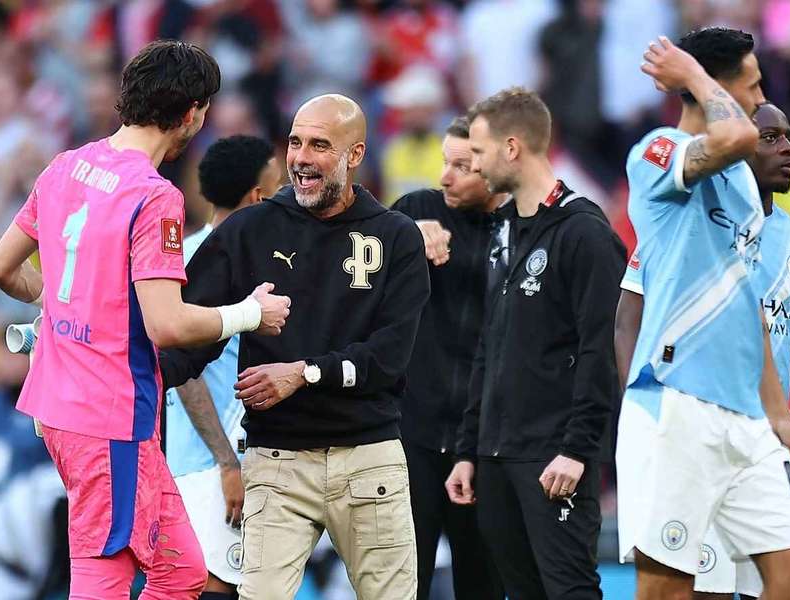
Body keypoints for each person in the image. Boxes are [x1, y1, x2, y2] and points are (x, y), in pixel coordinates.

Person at [0, 40, 290, 600]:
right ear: (192, 113)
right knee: (119, 574)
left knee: (167, 571)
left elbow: (0, 267)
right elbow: (167, 326)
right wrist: (250, 313)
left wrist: (63, 303)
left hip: (59, 405)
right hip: (109, 417)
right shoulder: (154, 197)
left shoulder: (66, 166)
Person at [159, 94, 431, 600]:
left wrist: (304, 373)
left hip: (368, 456)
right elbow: (186, 342)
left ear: (355, 155)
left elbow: (390, 357)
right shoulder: (248, 229)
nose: (301, 158)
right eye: (295, 142)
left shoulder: (395, 236)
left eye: (320, 145)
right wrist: (123, 381)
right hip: (276, 460)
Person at [614, 29, 790, 600]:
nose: (760, 99)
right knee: (669, 590)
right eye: (752, 86)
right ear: (715, 86)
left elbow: (747, 302)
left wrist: (778, 412)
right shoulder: (657, 152)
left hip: (746, 415)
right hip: (676, 403)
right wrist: (693, 75)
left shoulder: (743, 188)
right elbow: (733, 134)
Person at [445, 87, 626, 599]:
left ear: (511, 148)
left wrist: (578, 450)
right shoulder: (503, 229)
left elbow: (601, 349)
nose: (474, 165)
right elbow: (489, 346)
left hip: (554, 456)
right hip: (496, 454)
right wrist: (469, 449)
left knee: (568, 590)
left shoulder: (585, 232)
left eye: (478, 152)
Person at [390, 115, 507, 600]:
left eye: (462, 166)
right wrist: (403, 236)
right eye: (444, 162)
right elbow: (353, 261)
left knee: (482, 585)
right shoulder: (414, 210)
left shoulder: (523, 230)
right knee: (399, 584)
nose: (444, 177)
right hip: (410, 435)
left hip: (482, 444)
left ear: (497, 166)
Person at [165, 134, 283, 600]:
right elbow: (185, 369)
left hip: (200, 455)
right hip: (211, 462)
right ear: (257, 196)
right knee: (213, 585)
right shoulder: (211, 262)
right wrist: (227, 463)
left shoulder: (182, 255)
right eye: (277, 188)